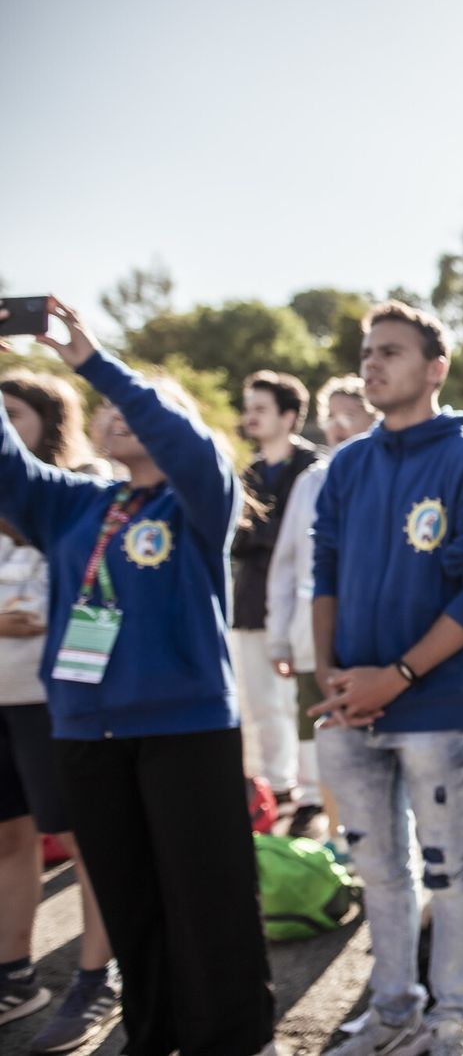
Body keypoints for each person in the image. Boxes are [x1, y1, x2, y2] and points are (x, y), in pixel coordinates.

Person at [0, 301, 275, 1056]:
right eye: (106, 407)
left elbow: (190, 448)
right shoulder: (73, 504)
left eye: (132, 405)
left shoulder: (198, 499)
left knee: (207, 902)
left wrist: (92, 360)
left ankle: (232, 1041)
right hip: (87, 732)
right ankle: (150, 1034)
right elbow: (5, 468)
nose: (113, 414)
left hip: (186, 729)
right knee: (129, 902)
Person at [310, 301, 463, 1056]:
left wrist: (395, 677)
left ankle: (451, 1019)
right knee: (379, 872)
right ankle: (394, 1011)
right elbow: (324, 570)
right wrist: (332, 679)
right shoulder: (346, 464)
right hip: (350, 712)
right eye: (368, 352)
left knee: (449, 867)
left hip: (436, 707)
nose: (372, 364)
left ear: (435, 369)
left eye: (391, 352)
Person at [0, 371, 120, 1053]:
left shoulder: (84, 488)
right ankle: (15, 975)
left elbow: (83, 598)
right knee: (6, 839)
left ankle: (99, 975)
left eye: (12, 413)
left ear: (49, 421)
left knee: (86, 842)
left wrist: (26, 620)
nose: (4, 425)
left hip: (56, 702)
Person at [265, 375, 377, 842]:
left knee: (373, 751)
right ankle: (337, 844)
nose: (339, 425)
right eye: (332, 416)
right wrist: (278, 635)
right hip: (314, 638)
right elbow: (287, 561)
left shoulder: (386, 472)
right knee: (324, 745)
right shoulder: (311, 482)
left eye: (351, 414)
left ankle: (381, 848)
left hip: (372, 638)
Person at [232, 370, 319, 808]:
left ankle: (312, 794)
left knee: (300, 703)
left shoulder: (313, 470)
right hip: (250, 602)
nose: (251, 417)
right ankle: (278, 787)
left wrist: (262, 535)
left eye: (261, 409)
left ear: (288, 417)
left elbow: (298, 539)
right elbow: (237, 537)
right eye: (248, 408)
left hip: (299, 609)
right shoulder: (246, 473)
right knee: (263, 703)